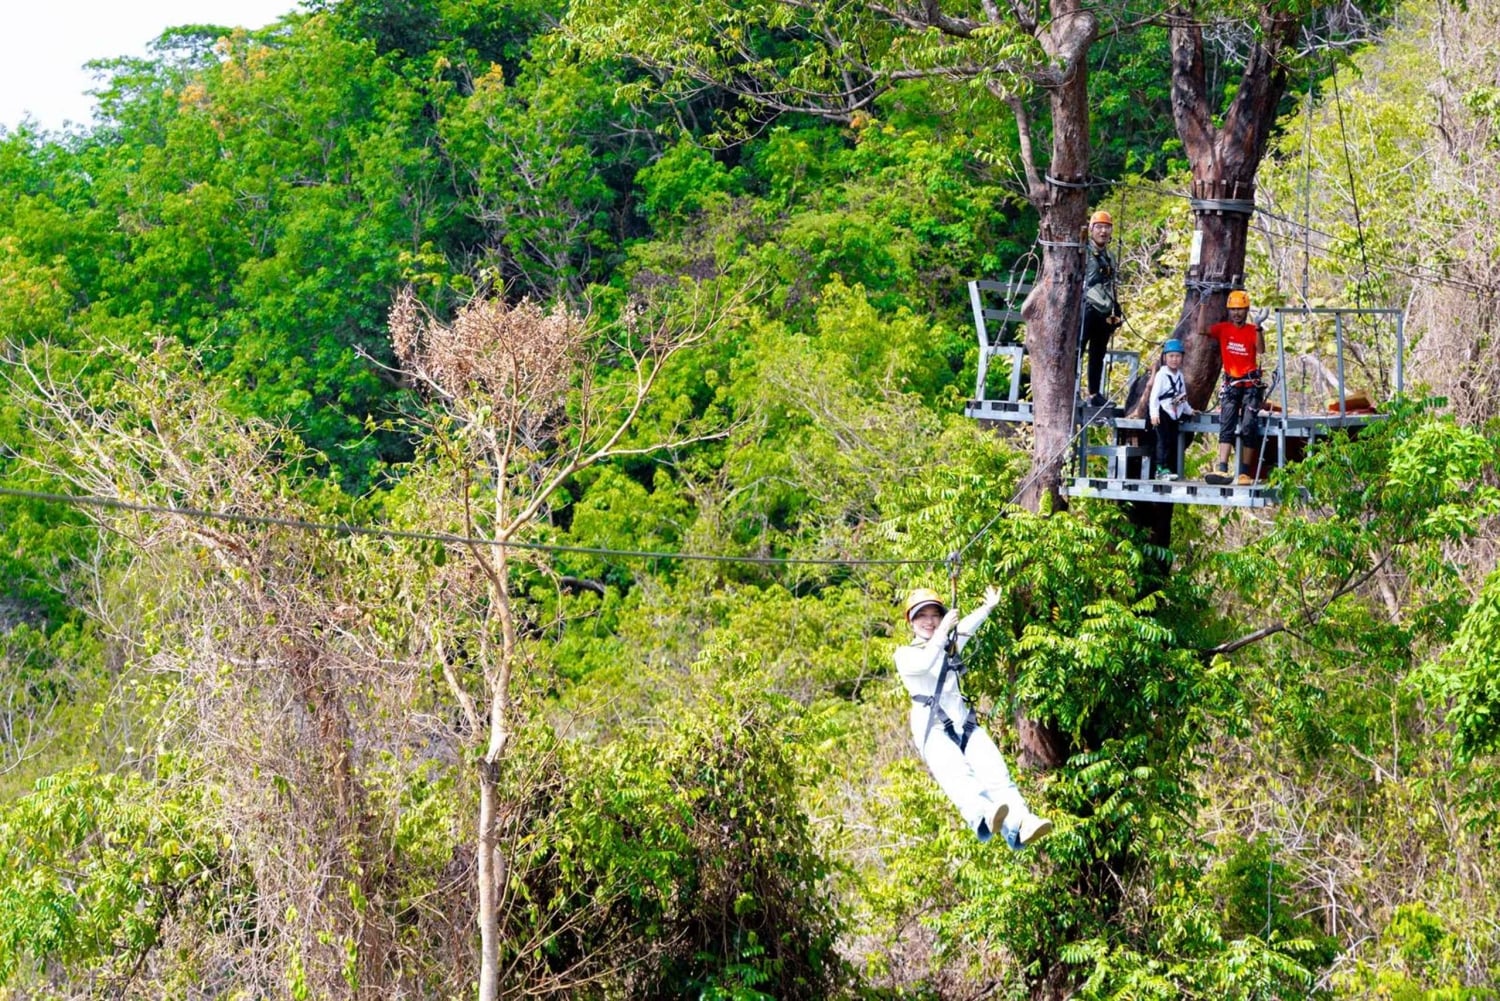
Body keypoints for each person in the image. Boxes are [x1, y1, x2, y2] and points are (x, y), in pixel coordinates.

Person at [894, 587, 1052, 848]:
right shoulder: (905, 655)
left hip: (963, 724)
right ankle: (982, 814)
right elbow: (925, 663)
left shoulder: (949, 645)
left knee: (997, 774)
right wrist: (944, 631)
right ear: (911, 621)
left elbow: (967, 628)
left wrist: (987, 608)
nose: (930, 621)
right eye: (922, 616)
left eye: (935, 615)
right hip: (932, 730)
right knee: (958, 774)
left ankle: (1022, 824)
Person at [1198, 289, 1267, 486]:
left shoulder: (1252, 330)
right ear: (1229, 310)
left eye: (1240, 309)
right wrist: (1203, 304)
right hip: (1231, 385)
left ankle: (1244, 472)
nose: (1237, 313)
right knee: (1226, 424)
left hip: (1250, 386)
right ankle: (1222, 468)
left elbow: (1261, 350)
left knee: (1248, 427)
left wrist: (1259, 327)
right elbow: (1201, 329)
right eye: (1233, 309)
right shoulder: (1223, 329)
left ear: (1246, 310)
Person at [1080, 209, 1123, 407]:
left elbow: (1111, 284)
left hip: (1104, 310)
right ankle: (1072, 390)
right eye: (1099, 227)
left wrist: (1116, 307)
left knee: (1098, 353)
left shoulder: (1110, 257)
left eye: (1107, 228)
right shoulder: (1084, 252)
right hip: (1086, 306)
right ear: (1091, 229)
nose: (1103, 232)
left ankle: (1094, 393)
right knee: (1078, 349)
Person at [1149, 338, 1194, 481]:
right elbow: (1154, 396)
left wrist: (1189, 410)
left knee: (1171, 441)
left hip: (1174, 413)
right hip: (1163, 411)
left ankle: (1168, 469)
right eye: (1171, 356)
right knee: (1162, 441)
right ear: (1165, 357)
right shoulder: (1161, 375)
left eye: (1178, 356)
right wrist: (1154, 413)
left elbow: (1182, 396)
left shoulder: (1179, 375)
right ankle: (1160, 469)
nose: (1174, 359)